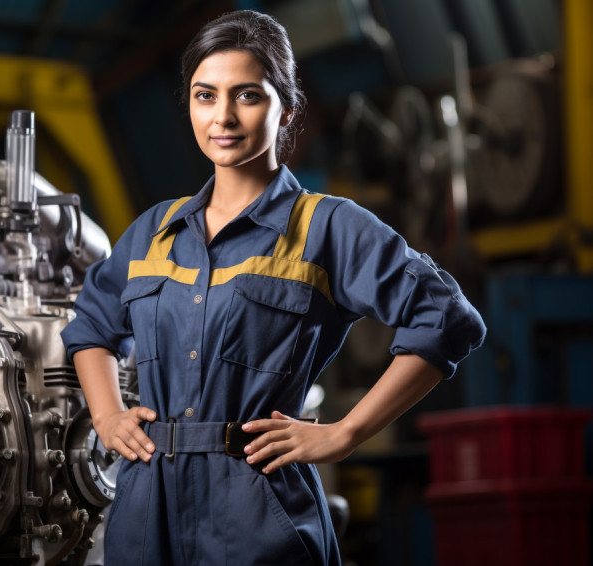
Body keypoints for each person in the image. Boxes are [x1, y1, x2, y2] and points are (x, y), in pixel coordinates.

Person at [61, 10, 486, 566]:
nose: (224, 117)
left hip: (258, 511)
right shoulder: (153, 232)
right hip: (146, 512)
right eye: (205, 95)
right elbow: (90, 325)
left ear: (286, 107)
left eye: (247, 95)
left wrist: (346, 433)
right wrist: (107, 416)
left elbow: (447, 317)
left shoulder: (325, 227)